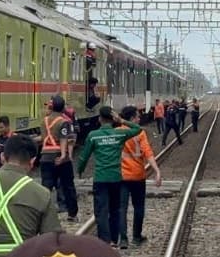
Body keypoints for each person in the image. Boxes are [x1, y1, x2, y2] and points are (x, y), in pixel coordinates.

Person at [76, 106, 142, 247]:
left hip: (100, 178)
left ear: (100, 119)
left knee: (101, 210)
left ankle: (105, 241)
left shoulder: (93, 135)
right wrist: (122, 120)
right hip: (116, 178)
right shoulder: (120, 134)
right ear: (113, 119)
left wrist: (80, 170)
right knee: (115, 209)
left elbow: (84, 157)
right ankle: (114, 239)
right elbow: (138, 129)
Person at [117, 106, 161, 250]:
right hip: (137, 175)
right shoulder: (140, 133)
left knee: (121, 208)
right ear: (131, 119)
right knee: (139, 207)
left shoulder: (117, 132)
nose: (139, 118)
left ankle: (123, 239)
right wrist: (156, 171)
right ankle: (136, 237)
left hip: (121, 176)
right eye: (137, 116)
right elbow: (148, 153)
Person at [36, 96, 78, 222]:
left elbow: (42, 138)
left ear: (52, 106)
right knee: (68, 186)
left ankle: (41, 214)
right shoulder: (64, 121)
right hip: (60, 157)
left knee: (46, 187)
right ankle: (72, 213)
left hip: (45, 157)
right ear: (63, 107)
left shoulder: (44, 121)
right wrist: (64, 155)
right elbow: (64, 138)